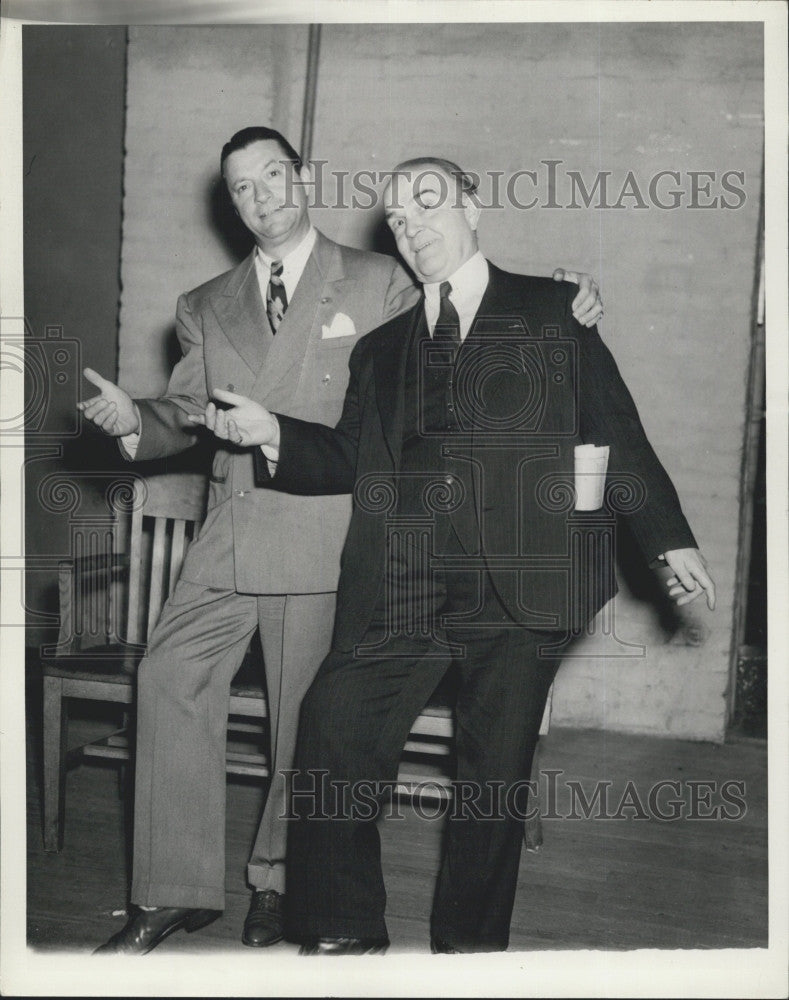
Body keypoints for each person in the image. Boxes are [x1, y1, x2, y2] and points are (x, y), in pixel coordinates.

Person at [80, 129, 604, 954]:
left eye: (273, 178)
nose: (262, 197)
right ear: (231, 203)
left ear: (304, 178)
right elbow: (182, 416)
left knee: (309, 721)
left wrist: (569, 294)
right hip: (236, 523)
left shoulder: (382, 273)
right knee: (166, 674)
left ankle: (282, 885)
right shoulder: (204, 302)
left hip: (330, 532)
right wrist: (131, 424)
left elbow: (464, 300)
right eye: (242, 188)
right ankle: (170, 890)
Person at [195, 156, 716, 954]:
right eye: (396, 219)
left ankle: (467, 955)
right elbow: (347, 457)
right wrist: (273, 435)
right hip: (400, 584)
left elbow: (613, 427)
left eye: (426, 203)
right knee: (331, 725)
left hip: (517, 587)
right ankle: (342, 928)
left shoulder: (550, 310)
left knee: (489, 780)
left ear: (472, 207)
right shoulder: (380, 348)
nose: (409, 225)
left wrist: (665, 537)